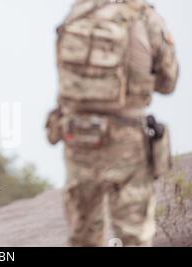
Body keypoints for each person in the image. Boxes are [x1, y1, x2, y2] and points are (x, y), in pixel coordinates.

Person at [46, 0, 179, 247]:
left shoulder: (77, 14)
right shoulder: (145, 17)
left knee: (83, 235)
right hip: (127, 138)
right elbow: (167, 82)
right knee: (134, 234)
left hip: (78, 138)